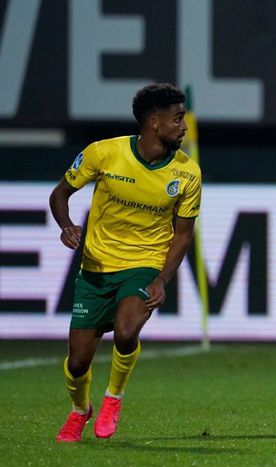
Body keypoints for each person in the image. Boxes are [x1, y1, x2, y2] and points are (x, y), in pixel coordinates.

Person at [49, 83, 201, 442]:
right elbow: (60, 194)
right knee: (77, 363)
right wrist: (67, 225)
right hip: (97, 268)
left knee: (127, 329)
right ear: (153, 122)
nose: (184, 126)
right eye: (177, 119)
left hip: (144, 264)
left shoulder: (187, 173)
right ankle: (79, 410)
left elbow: (182, 234)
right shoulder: (104, 153)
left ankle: (113, 398)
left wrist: (162, 279)